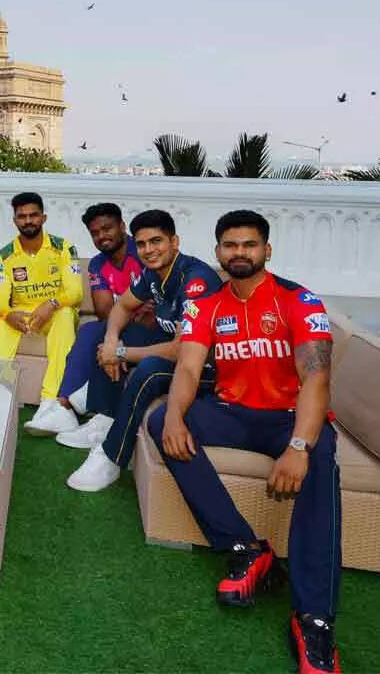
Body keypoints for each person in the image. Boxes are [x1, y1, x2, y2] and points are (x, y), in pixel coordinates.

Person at [146, 210, 341, 673]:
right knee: (160, 424)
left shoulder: (299, 300)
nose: (239, 253)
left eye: (249, 245)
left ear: (266, 250)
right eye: (230, 245)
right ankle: (245, 548)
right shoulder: (207, 305)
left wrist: (299, 447)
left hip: (289, 419)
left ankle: (314, 619)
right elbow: (188, 366)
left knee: (320, 459)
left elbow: (317, 379)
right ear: (218, 252)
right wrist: (174, 417)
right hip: (232, 412)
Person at [64, 209, 222, 491]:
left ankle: (112, 456)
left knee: (148, 369)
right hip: (174, 350)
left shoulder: (196, 279)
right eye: (141, 244)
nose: (149, 250)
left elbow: (183, 351)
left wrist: (120, 353)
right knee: (109, 331)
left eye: (156, 241)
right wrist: (111, 341)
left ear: (174, 242)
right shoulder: (153, 274)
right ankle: (105, 417)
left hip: (205, 368)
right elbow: (122, 307)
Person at [33, 202, 152, 433]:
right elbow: (103, 310)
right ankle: (65, 406)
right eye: (95, 233)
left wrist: (124, 320)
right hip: (120, 325)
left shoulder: (142, 251)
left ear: (122, 226)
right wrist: (125, 321)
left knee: (97, 332)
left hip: (152, 328)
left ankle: (79, 406)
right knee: (89, 330)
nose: (101, 236)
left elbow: (153, 308)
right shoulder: (98, 264)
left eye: (107, 229)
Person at [0, 192, 83, 425]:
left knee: (64, 315)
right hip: (24, 316)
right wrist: (8, 314)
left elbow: (76, 292)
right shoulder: (4, 256)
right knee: (0, 325)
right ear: (15, 221)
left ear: (43, 217)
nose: (28, 221)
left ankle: (50, 401)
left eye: (33, 215)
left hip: (56, 312)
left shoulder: (64, 248)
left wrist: (50, 304)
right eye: (22, 216)